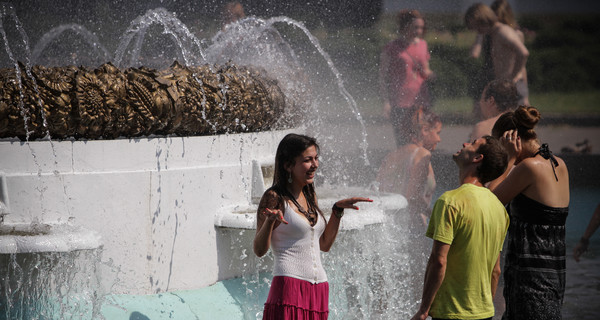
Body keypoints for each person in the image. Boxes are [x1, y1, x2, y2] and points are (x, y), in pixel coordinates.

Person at [253, 133, 372, 319]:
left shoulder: (309, 195)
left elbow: (324, 245)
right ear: (288, 165)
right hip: (289, 287)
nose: (315, 165)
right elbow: (259, 250)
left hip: (319, 289)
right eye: (308, 160)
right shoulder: (274, 197)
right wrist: (269, 222)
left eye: (316, 158)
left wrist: (337, 211)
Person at [410, 136, 509, 320]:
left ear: (477, 158)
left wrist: (423, 310)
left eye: (472, 143)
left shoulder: (450, 202)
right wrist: (485, 307)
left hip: (451, 312)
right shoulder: (498, 208)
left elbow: (439, 261)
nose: (464, 144)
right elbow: (496, 271)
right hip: (484, 313)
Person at [489, 106, 569, 319]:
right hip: (553, 276)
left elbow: (488, 201)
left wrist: (508, 160)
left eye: (500, 146)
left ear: (511, 138)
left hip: (531, 281)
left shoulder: (529, 168)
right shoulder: (559, 164)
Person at [376, 108, 441, 227]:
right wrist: (436, 218)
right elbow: (413, 198)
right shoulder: (422, 155)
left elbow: (377, 191)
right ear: (425, 130)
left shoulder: (390, 156)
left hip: (389, 226)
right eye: (437, 132)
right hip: (412, 226)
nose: (439, 139)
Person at [379, 9, 434, 147]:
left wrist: (432, 75)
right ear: (405, 26)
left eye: (421, 27)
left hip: (421, 99)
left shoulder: (423, 44)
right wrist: (385, 101)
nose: (419, 30)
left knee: (421, 139)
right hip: (399, 100)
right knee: (403, 141)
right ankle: (403, 168)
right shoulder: (391, 47)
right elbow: (382, 76)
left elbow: (426, 71)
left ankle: (420, 167)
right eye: (415, 27)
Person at [465, 3, 529, 111]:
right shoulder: (494, 33)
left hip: (513, 84)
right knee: (505, 123)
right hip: (506, 85)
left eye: (477, 26)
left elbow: (523, 53)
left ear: (483, 20)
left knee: (517, 123)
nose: (477, 31)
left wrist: (513, 75)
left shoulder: (503, 32)